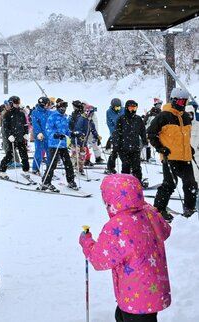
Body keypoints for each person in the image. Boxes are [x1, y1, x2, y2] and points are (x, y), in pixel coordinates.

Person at [79, 174, 171, 322]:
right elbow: (165, 230)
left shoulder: (117, 226)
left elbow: (98, 259)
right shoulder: (149, 213)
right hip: (152, 290)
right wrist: (142, 205)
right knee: (124, 316)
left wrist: (86, 242)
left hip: (135, 298)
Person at [147, 87, 197, 222]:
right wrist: (160, 147)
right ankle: (159, 209)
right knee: (170, 184)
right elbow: (151, 133)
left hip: (185, 157)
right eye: (181, 102)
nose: (183, 105)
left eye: (185, 103)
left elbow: (183, 137)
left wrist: (189, 148)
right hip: (170, 157)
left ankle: (190, 208)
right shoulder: (164, 116)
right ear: (174, 101)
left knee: (191, 184)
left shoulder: (186, 117)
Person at [42, 101, 78, 191]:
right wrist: (55, 134)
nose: (63, 110)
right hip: (54, 144)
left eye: (65, 108)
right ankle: (46, 182)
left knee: (68, 163)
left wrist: (72, 134)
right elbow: (48, 129)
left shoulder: (64, 117)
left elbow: (66, 130)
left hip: (63, 144)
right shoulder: (53, 116)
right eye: (61, 108)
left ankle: (71, 181)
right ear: (58, 108)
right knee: (52, 163)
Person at [112, 100, 147, 187]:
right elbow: (117, 133)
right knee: (126, 165)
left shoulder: (138, 119)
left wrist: (144, 140)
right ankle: (125, 184)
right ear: (127, 108)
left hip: (135, 147)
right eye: (130, 107)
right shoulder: (121, 119)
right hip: (123, 148)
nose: (132, 110)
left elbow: (142, 131)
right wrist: (116, 146)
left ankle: (138, 182)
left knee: (136, 166)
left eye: (134, 108)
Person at [0, 96, 30, 178]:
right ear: (11, 103)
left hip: (21, 137)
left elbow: (25, 124)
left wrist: (26, 133)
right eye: (15, 103)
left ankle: (26, 170)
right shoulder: (7, 114)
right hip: (12, 137)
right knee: (9, 155)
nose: (17, 105)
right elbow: (5, 126)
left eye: (18, 102)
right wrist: (9, 135)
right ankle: (1, 170)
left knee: (24, 154)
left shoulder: (21, 113)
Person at [72, 104, 100, 175]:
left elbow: (93, 129)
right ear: (87, 112)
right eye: (91, 113)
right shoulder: (82, 119)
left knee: (82, 156)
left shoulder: (90, 120)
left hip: (84, 142)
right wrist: (81, 135)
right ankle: (72, 169)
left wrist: (97, 136)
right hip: (77, 141)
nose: (92, 114)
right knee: (75, 155)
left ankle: (80, 169)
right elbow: (78, 129)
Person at [30, 97, 52, 175]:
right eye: (48, 104)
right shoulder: (35, 112)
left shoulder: (49, 112)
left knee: (50, 153)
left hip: (48, 136)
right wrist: (38, 132)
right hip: (39, 136)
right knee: (38, 152)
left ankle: (50, 169)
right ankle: (35, 168)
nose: (49, 105)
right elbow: (35, 124)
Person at [105, 98, 125, 174]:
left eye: (119, 107)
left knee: (124, 151)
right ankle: (110, 167)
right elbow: (109, 124)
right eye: (116, 107)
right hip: (115, 134)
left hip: (124, 134)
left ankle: (127, 166)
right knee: (115, 151)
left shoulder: (123, 110)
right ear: (112, 107)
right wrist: (115, 132)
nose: (118, 109)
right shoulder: (109, 112)